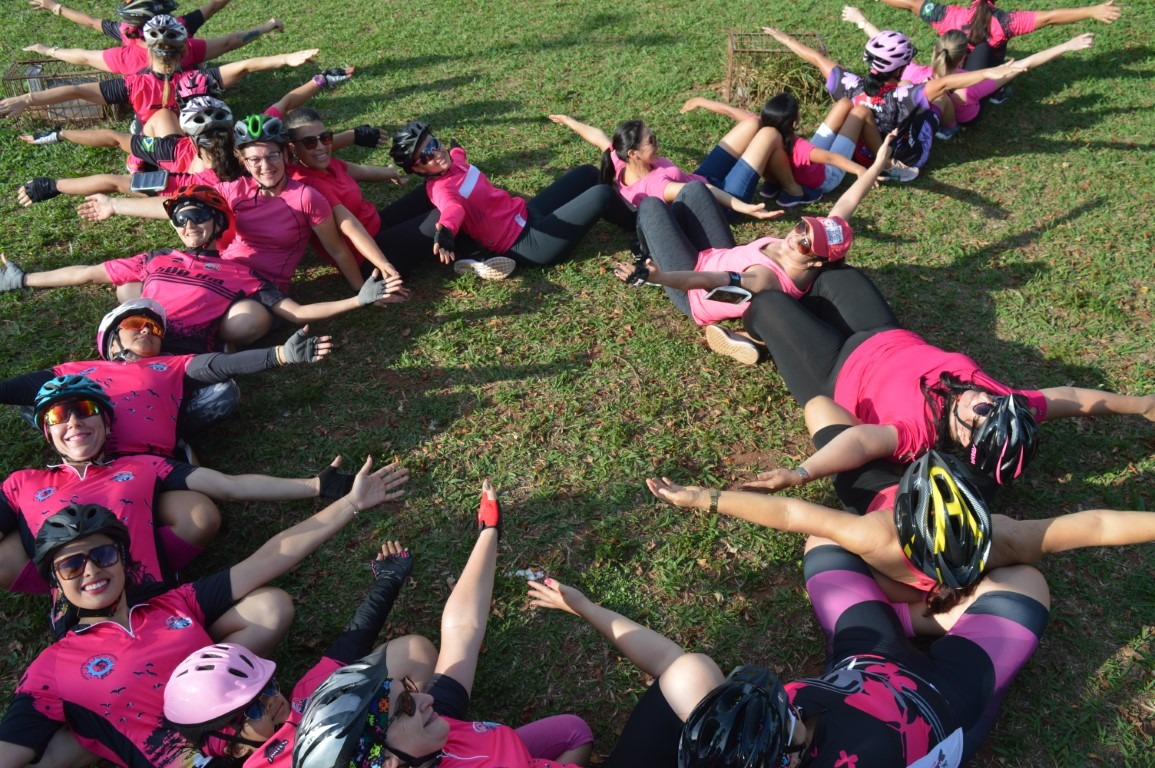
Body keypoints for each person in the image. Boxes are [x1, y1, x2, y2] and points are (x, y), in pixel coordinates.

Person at [0, 456, 408, 768]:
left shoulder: (170, 604)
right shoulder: (52, 667)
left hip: (271, 732)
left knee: (409, 653)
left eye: (103, 554)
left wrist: (351, 504)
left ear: (124, 559)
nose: (91, 570)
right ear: (54, 581)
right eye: (71, 565)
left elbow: (270, 556)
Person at [523, 538, 1050, 766]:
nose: (795, 702)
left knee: (826, 542)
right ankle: (932, 621)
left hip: (859, 661)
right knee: (1024, 579)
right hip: (948, 698)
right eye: (788, 713)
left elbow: (673, 665)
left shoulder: (728, 745)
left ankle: (920, 620)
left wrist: (585, 607)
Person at [647, 422, 1155, 617]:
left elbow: (790, 514)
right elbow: (1092, 526)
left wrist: (705, 498)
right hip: (889, 493)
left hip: (894, 492)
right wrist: (704, 498)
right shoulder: (1000, 539)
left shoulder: (883, 533)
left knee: (830, 418)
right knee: (833, 421)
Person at [737, 264, 1155, 486]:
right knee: (834, 274)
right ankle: (804, 314)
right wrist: (1141, 406)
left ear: (967, 438)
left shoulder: (919, 432)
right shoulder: (1003, 407)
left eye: (980, 413)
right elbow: (1070, 399)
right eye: (996, 403)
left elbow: (861, 441)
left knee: (767, 305)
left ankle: (758, 337)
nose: (983, 398)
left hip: (833, 372)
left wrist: (801, 473)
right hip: (885, 334)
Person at [292, 480, 596, 768]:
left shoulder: (431, 736)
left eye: (409, 691)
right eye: (406, 706)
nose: (427, 698)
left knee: (575, 730)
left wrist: (488, 533)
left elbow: (462, 631)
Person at [0, 374, 363, 601]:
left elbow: (228, 485)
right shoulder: (22, 482)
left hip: (153, 599)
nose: (74, 421)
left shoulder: (142, 466)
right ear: (48, 433)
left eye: (84, 409)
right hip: (75, 609)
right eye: (57, 416)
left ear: (107, 424)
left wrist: (315, 486)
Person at [2, 185, 406, 351]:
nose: (188, 226)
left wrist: (357, 301)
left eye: (196, 217)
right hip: (139, 343)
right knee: (126, 293)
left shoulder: (241, 274)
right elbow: (86, 273)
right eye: (180, 220)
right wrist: (22, 279)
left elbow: (296, 313)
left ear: (217, 223)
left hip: (188, 351)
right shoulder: (157, 258)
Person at [613, 133, 893, 364]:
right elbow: (846, 204)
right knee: (695, 190)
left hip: (691, 288)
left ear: (817, 262)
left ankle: (648, 251)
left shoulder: (767, 278)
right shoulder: (817, 247)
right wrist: (877, 163)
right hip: (716, 254)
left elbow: (708, 280)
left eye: (806, 243)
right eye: (801, 228)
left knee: (650, 206)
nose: (796, 238)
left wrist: (657, 277)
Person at [164, 541, 436, 768]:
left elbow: (351, 644)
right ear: (233, 749)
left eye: (268, 687)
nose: (271, 701)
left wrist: (388, 581)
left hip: (384, 742)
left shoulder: (304, 701)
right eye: (253, 708)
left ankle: (417, 725)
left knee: (413, 650)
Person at [75, 114, 395, 292]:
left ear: (285, 154)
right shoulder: (233, 190)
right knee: (129, 290)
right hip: (221, 270)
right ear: (242, 159)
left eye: (272, 156)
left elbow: (342, 233)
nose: (265, 165)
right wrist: (115, 205)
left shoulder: (304, 192)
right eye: (255, 159)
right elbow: (176, 204)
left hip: (259, 287)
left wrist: (360, 288)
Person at [0, 298, 331, 457]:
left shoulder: (171, 365)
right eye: (134, 325)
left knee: (223, 390)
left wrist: (280, 355)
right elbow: (12, 390)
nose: (146, 329)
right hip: (86, 448)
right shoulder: (71, 370)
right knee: (35, 404)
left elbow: (220, 365)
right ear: (111, 339)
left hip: (148, 460)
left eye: (154, 328)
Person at [760, 26, 1027, 180]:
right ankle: (949, 131)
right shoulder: (903, 97)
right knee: (938, 103)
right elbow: (945, 85)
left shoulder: (851, 85)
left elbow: (816, 58)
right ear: (900, 68)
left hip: (859, 152)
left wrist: (784, 38)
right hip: (902, 155)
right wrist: (990, 73)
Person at [0, 15, 319, 139]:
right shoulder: (194, 77)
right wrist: (284, 58)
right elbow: (244, 62)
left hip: (160, 136)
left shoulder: (129, 73)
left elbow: (76, 89)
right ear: (185, 50)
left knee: (122, 141)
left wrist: (28, 97)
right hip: (173, 138)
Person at [385, 121, 614, 280]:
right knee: (602, 194)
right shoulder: (442, 189)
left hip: (527, 213)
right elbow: (452, 208)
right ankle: (631, 215)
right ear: (417, 168)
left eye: (434, 144)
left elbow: (458, 157)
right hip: (527, 244)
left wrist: (457, 150)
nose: (436, 154)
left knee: (588, 172)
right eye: (426, 156)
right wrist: (446, 230)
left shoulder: (453, 163)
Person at [841, 7, 1096, 138]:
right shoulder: (974, 85)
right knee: (985, 47)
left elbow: (890, 51)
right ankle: (995, 98)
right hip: (964, 116)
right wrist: (1068, 45)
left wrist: (860, 20)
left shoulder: (916, 73)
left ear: (935, 52)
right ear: (963, 57)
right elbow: (1026, 63)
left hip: (928, 110)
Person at [548, 112, 779, 218]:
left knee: (753, 122)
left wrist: (570, 121)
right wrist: (743, 207)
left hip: (703, 176)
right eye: (651, 141)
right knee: (768, 133)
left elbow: (598, 137)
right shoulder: (653, 186)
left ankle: (782, 179)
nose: (657, 143)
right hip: (724, 201)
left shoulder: (621, 162)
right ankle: (793, 188)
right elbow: (702, 191)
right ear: (634, 153)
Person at [284, 107, 407, 277]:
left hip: (377, 224)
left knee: (428, 193)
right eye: (310, 142)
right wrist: (383, 264)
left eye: (325, 138)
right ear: (292, 147)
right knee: (439, 218)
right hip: (370, 255)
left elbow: (362, 172)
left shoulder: (326, 164)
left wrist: (392, 173)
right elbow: (351, 226)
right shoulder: (308, 185)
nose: (320, 147)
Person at [878, 0, 1119, 76]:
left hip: (948, 74)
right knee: (987, 52)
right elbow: (1050, 18)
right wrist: (1091, 11)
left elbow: (911, 2)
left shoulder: (948, 15)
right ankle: (997, 92)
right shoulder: (1006, 23)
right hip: (983, 82)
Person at [23, 15, 284, 75]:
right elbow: (232, 43)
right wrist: (268, 26)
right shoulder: (191, 50)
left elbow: (82, 57)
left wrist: (49, 51)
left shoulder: (124, 56)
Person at [748, 92, 872, 202]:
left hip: (806, 169)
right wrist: (859, 169)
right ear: (794, 123)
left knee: (844, 103)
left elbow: (748, 118)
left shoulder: (767, 135)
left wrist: (727, 108)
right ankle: (886, 162)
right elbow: (830, 158)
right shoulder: (800, 147)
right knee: (861, 112)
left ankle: (773, 186)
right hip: (827, 178)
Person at [27, 0, 231, 52]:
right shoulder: (180, 26)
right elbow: (212, 7)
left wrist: (55, 7)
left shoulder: (127, 33)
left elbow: (90, 21)